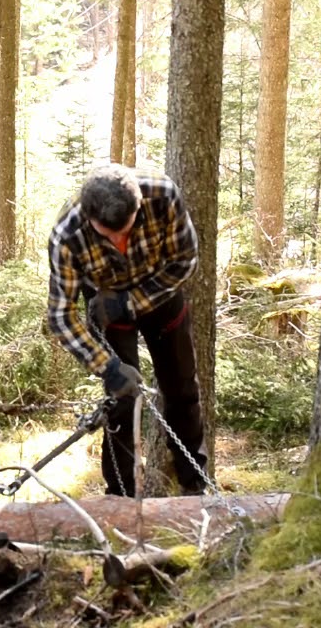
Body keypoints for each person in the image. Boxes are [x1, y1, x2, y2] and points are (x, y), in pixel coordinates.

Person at [46, 163, 208, 496]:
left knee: (181, 391)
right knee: (121, 400)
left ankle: (195, 486)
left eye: (128, 228)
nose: (120, 240)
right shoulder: (67, 236)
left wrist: (133, 301)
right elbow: (61, 316)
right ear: (91, 219)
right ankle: (120, 493)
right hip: (106, 305)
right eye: (109, 234)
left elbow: (185, 260)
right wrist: (107, 366)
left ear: (138, 206)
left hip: (160, 291)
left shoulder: (162, 194)